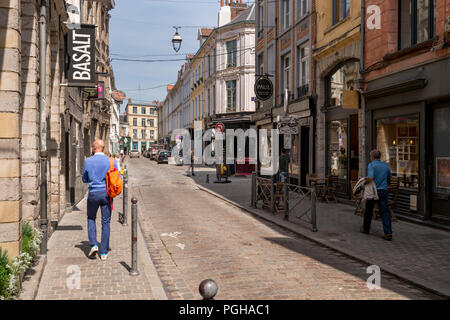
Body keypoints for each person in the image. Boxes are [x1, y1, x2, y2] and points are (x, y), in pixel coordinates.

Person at [82, 139, 120, 260]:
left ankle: (93, 244)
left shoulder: (88, 161)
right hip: (106, 195)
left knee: (91, 218)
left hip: (93, 194)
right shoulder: (111, 161)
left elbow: (84, 179)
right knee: (106, 222)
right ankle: (104, 252)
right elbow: (118, 176)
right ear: (103, 148)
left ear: (94, 148)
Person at [361, 149, 393, 241]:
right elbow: (389, 178)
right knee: (385, 212)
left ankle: (366, 229)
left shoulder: (371, 165)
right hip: (383, 191)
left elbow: (370, 177)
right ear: (380, 157)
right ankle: (388, 233)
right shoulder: (386, 166)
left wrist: (364, 182)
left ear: (372, 157)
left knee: (368, 211)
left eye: (370, 157)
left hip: (373, 191)